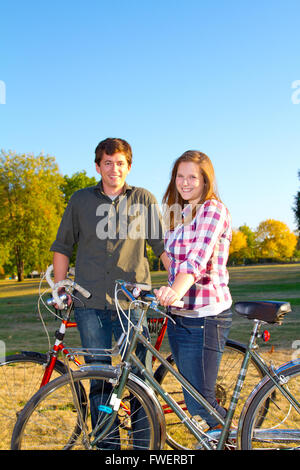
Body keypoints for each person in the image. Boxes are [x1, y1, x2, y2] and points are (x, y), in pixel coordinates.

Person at [50, 137, 168, 448]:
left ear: (128, 166)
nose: (114, 168)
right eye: (107, 162)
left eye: (120, 163)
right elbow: (62, 247)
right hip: (89, 304)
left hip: (132, 305)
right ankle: (108, 447)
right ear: (98, 166)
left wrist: (179, 280)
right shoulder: (80, 200)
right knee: (101, 380)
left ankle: (145, 447)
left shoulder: (143, 199)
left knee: (139, 380)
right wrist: (61, 287)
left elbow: (160, 247)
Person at [154, 150, 232, 431]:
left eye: (192, 177)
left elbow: (196, 261)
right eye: (180, 176)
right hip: (179, 316)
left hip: (206, 315)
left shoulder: (213, 210)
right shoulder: (180, 214)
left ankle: (233, 437)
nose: (185, 183)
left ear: (205, 180)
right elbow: (172, 262)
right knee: (193, 400)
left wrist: (175, 290)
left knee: (202, 403)